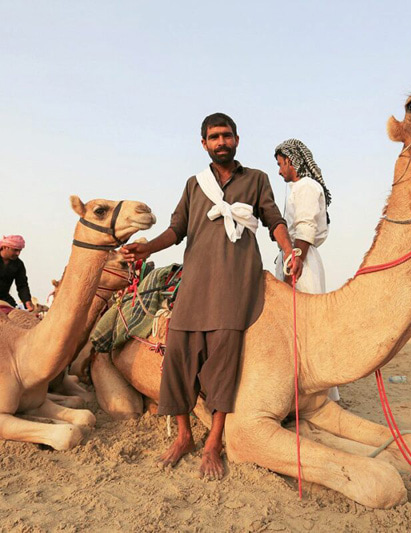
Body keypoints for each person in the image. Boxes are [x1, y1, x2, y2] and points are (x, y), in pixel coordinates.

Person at [121, 113, 300, 479]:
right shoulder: (194, 185)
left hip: (236, 285)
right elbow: (176, 229)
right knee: (178, 358)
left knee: (222, 365)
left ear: (237, 139)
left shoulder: (257, 180)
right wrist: (147, 249)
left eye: (227, 135)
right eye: (214, 137)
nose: (221, 142)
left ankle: (213, 443)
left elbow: (273, 220)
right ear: (203, 143)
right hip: (196, 282)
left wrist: (290, 249)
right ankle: (184, 435)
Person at [271, 138, 340, 401]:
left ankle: (318, 395)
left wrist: (294, 262)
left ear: (291, 161)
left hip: (302, 261)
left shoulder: (307, 187)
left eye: (280, 164)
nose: (279, 171)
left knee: (307, 327)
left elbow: (305, 227)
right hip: (294, 258)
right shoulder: (298, 188)